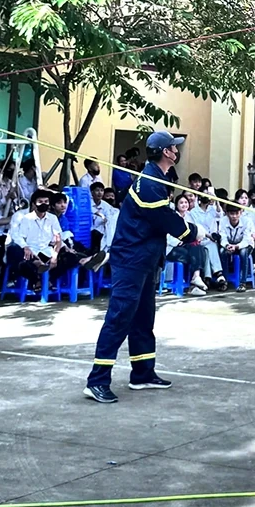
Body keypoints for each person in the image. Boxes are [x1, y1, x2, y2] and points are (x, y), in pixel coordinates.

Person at [85, 131, 197, 403]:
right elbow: (164, 219)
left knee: (143, 317)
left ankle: (143, 373)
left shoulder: (157, 178)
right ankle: (97, 380)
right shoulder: (148, 183)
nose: (176, 151)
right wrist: (192, 232)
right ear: (166, 153)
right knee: (119, 317)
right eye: (173, 147)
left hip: (145, 259)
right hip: (132, 260)